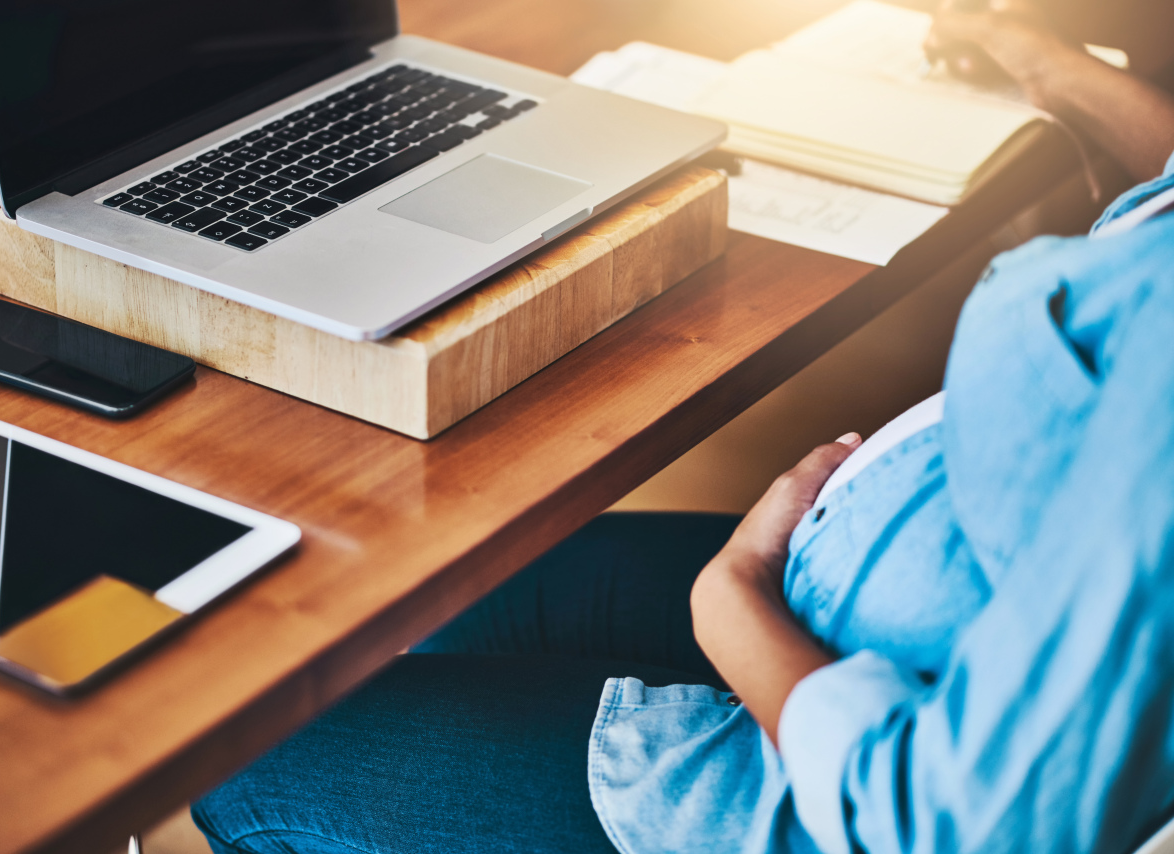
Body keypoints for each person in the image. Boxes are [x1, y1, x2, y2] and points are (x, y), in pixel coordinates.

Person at [191, 4, 1174, 853]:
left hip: (793, 786)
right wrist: (1044, 61)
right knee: (420, 607)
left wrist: (728, 601)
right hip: (837, 591)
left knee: (240, 763)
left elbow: (949, 827)